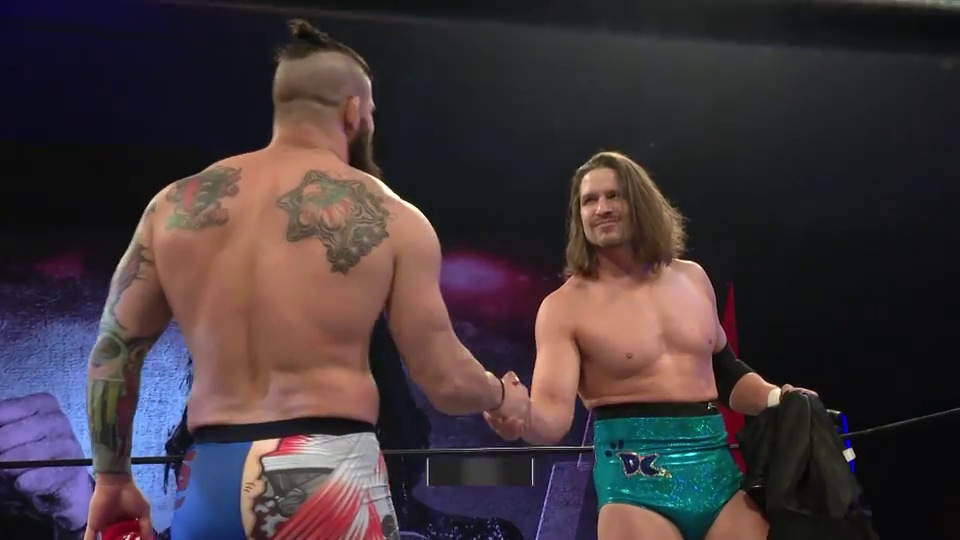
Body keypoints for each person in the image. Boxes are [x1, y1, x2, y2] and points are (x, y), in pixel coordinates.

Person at [83, 19, 529, 540]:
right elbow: (445, 379)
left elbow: (114, 353)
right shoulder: (391, 216)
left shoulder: (175, 206)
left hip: (209, 480)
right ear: (354, 111)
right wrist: (502, 398)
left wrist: (111, 479)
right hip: (329, 476)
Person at [484, 151, 815, 540]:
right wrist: (520, 417)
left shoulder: (693, 278)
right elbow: (552, 417)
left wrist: (780, 399)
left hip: (717, 474)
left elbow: (726, 374)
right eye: (589, 201)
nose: (602, 209)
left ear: (641, 202)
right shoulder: (563, 307)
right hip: (634, 487)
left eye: (614, 196)